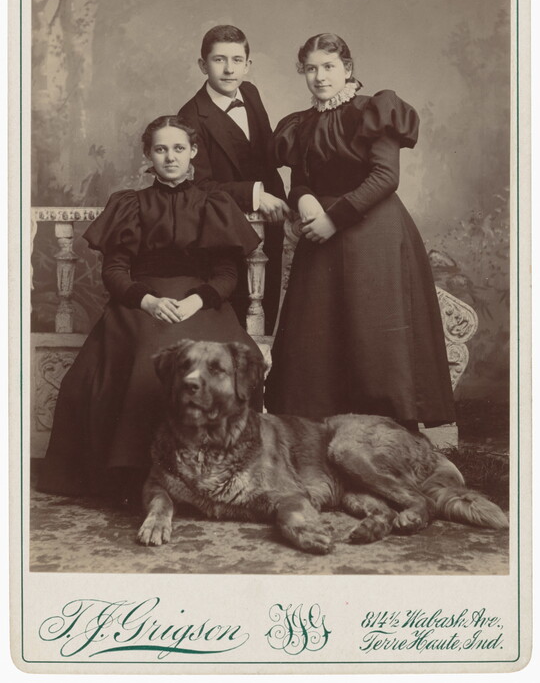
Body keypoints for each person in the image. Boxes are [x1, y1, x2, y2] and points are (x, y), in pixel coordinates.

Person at [37, 116, 263, 505]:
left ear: (193, 152)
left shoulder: (215, 203)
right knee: (142, 358)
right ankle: (131, 477)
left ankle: (218, 472)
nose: (170, 157)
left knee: (239, 360)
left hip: (201, 302)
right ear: (148, 155)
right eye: (161, 149)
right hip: (140, 303)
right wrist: (149, 302)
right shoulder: (130, 204)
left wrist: (196, 300)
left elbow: (227, 273)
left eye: (179, 148)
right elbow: (114, 271)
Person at [265, 33, 455, 429]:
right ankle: (317, 431)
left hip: (373, 231)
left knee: (373, 329)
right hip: (321, 235)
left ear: (347, 69)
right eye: (311, 69)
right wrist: (304, 200)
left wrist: (335, 218)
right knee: (316, 332)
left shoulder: (374, 109)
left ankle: (386, 430)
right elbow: (301, 179)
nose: (319, 77)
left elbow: (385, 176)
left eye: (329, 67)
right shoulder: (300, 124)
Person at [178, 25, 288, 334]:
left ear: (248, 65)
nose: (229, 69)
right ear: (203, 65)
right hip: (225, 229)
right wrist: (254, 195)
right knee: (236, 319)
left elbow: (266, 159)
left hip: (270, 224)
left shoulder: (250, 93)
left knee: (267, 315)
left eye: (237, 60)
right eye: (219, 60)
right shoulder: (190, 117)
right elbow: (198, 186)